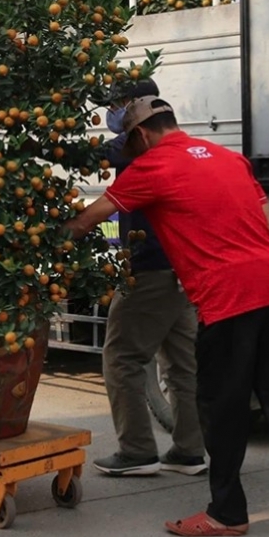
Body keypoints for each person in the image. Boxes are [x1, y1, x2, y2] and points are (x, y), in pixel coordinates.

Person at [65, 95, 269, 537]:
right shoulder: (229, 158)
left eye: (130, 143)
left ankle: (226, 514)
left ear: (140, 135)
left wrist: (42, 241)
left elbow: (88, 220)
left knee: (222, 409)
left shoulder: (151, 166)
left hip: (228, 300)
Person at [93, 79, 207, 478]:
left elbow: (93, 154)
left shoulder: (138, 145)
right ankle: (190, 451)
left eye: (117, 105)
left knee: (122, 358)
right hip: (182, 268)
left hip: (149, 268)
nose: (111, 113)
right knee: (182, 363)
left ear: (134, 106)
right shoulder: (175, 143)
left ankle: (137, 451)